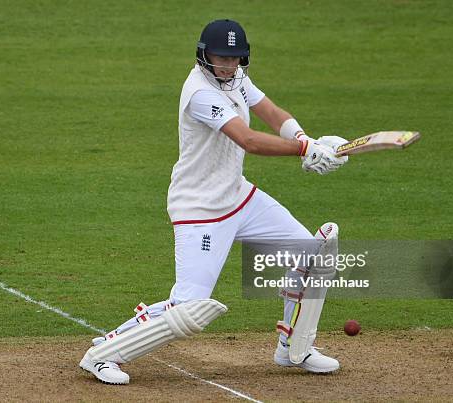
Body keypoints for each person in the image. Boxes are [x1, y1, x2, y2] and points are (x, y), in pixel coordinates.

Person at [80, 19, 348, 385]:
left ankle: (293, 347)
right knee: (190, 308)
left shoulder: (236, 78)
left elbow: (272, 113)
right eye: (221, 58)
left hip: (239, 196)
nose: (228, 65)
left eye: (235, 59)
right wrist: (304, 150)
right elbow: (248, 140)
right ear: (204, 55)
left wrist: (304, 137)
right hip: (200, 210)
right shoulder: (200, 92)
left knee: (310, 254)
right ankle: (104, 353)